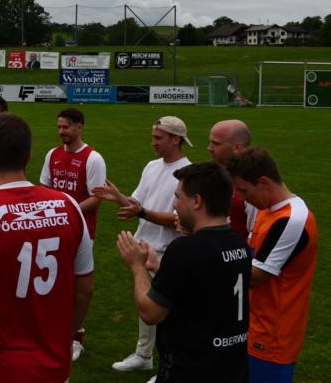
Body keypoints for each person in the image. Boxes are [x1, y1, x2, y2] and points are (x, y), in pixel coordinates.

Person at [0, 113, 95, 382]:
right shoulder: (69, 206)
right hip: (54, 367)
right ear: (28, 156)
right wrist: (62, 340)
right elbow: (84, 290)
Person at [116, 161, 250, 382]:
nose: (175, 205)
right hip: (233, 370)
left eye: (178, 197)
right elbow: (204, 285)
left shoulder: (185, 249)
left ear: (197, 201)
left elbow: (150, 313)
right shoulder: (240, 244)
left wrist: (137, 265)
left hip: (191, 371)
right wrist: (159, 267)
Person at [93, 115, 192, 374]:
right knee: (146, 306)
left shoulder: (188, 173)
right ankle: (144, 355)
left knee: (170, 313)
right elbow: (137, 204)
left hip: (168, 251)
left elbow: (180, 219)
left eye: (158, 138)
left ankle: (168, 366)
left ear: (176, 139)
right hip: (144, 248)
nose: (153, 142)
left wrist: (142, 213)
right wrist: (118, 198)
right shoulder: (151, 166)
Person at [227, 147, 318, 382]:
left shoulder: (292, 220)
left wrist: (206, 260)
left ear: (264, 183)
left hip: (273, 337)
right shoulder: (267, 210)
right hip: (253, 325)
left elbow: (255, 276)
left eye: (243, 190)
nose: (241, 198)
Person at [39, 107, 106, 362]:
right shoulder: (52, 154)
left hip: (82, 232)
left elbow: (96, 198)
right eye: (59, 127)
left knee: (76, 287)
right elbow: (44, 188)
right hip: (53, 230)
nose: (61, 131)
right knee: (53, 284)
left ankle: (76, 337)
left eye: (66, 127)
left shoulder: (93, 158)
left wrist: (66, 211)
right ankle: (56, 332)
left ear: (79, 127)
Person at [207, 119, 255, 238]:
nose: (209, 148)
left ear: (237, 147)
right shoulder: (210, 176)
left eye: (216, 144)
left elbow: (255, 235)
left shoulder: (253, 186)